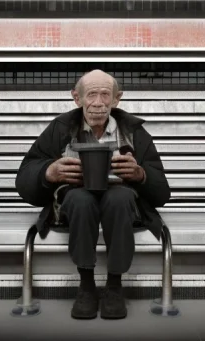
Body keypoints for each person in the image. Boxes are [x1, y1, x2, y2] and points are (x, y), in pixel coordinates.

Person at [15, 69, 170, 320]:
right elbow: (24, 179)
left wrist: (140, 174)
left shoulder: (133, 133)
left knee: (118, 198)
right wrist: (48, 172)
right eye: (91, 95)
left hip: (122, 205)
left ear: (117, 99)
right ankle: (86, 286)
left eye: (105, 95)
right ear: (77, 98)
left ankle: (114, 286)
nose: (98, 103)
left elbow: (162, 191)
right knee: (80, 198)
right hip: (75, 204)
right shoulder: (61, 128)